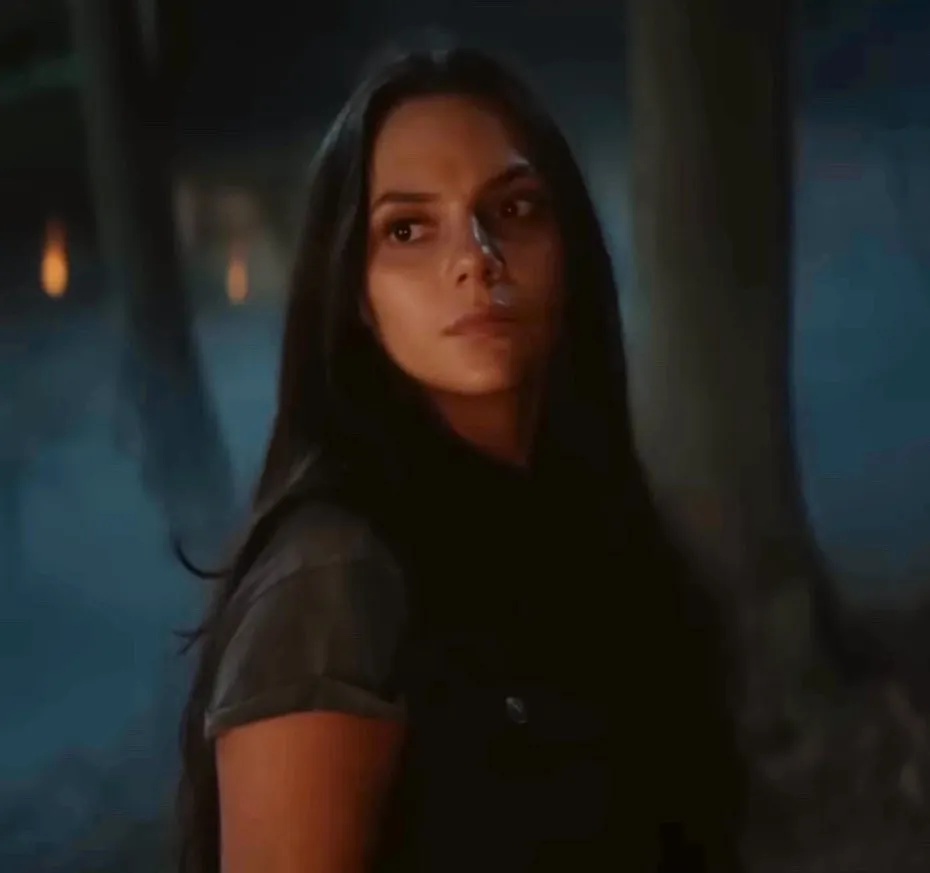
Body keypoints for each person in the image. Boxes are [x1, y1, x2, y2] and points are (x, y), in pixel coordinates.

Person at [176, 44, 746, 873]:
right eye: (407, 229)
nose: (476, 255)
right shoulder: (333, 581)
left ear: (569, 246)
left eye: (513, 208)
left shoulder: (588, 527)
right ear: (354, 291)